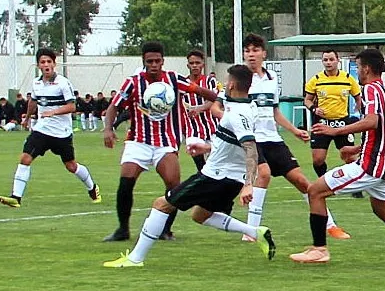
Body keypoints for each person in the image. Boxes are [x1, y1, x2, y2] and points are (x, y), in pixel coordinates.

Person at [103, 65, 275, 268]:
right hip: (229, 178)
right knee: (200, 215)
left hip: (216, 177)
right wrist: (207, 147)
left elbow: (250, 148)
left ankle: (135, 259)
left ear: (232, 84)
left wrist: (249, 184)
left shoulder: (238, 114)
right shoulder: (248, 107)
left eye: (227, 81)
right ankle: (255, 232)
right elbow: (235, 143)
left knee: (161, 204)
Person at [290, 48, 385, 264]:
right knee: (381, 209)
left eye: (357, 67)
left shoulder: (371, 90)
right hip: (383, 163)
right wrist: (355, 149)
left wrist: (335, 131)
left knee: (315, 191)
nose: (357, 72)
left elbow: (372, 121)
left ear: (366, 68)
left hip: (370, 166)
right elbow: (384, 130)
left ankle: (319, 250)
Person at [101, 41, 217, 242]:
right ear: (143, 61)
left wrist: (208, 98)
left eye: (157, 61)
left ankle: (165, 230)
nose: (154, 64)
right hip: (138, 141)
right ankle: (122, 229)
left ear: (163, 61)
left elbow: (207, 94)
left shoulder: (174, 80)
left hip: (165, 142)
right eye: (149, 61)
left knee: (174, 187)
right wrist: (108, 129)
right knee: (125, 183)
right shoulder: (133, 82)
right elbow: (114, 107)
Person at [236, 33, 348, 242]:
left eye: (255, 50)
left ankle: (330, 225)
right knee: (264, 174)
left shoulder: (271, 79)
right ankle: (251, 231)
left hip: (273, 139)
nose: (251, 55)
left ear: (263, 54)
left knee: (302, 181)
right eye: (247, 51)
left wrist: (295, 131)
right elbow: (222, 107)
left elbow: (275, 112)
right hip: (251, 140)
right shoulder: (239, 79)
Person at [0, 48, 102, 208]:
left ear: (54, 64)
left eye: (49, 62)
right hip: (42, 130)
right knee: (25, 158)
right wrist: (26, 117)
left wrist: (54, 112)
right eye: (42, 62)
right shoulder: (36, 83)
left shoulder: (63, 83)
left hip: (61, 133)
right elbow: (33, 101)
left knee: (71, 166)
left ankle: (92, 188)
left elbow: (72, 106)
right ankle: (16, 197)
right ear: (38, 65)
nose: (46, 65)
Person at [303, 49, 363, 190]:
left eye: (331, 59)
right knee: (318, 159)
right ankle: (324, 183)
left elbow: (358, 98)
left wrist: (361, 114)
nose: (328, 63)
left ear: (338, 60)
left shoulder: (347, 78)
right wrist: (314, 109)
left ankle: (355, 187)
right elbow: (307, 100)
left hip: (342, 123)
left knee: (348, 157)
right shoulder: (316, 80)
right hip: (322, 123)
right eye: (325, 60)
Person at [181, 50, 218, 172]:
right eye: (192, 63)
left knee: (215, 164)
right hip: (193, 130)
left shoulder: (210, 81)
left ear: (203, 64)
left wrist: (199, 109)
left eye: (197, 62)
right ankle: (203, 175)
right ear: (188, 65)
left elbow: (215, 99)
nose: (195, 65)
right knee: (197, 157)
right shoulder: (183, 84)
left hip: (212, 128)